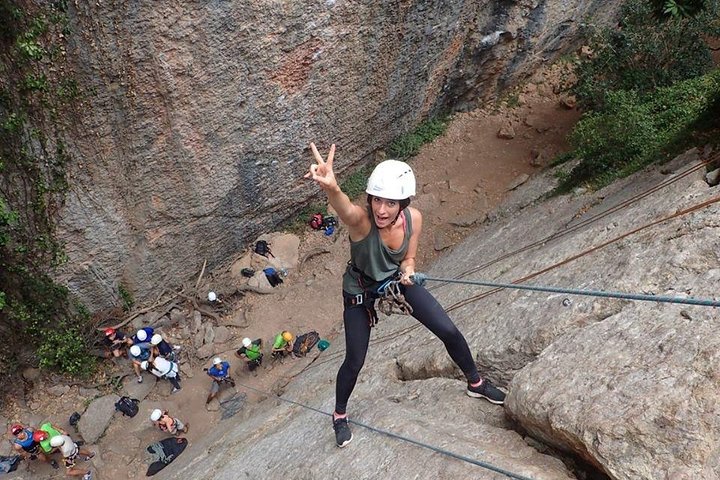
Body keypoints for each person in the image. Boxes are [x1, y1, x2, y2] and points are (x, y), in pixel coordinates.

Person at [305, 143, 506, 448]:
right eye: (376, 201)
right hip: (360, 291)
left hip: (394, 282)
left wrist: (408, 270)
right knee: (355, 359)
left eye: (390, 203)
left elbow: (408, 258)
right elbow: (345, 207)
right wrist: (332, 187)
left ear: (403, 203)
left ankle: (475, 382)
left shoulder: (414, 219)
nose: (381, 210)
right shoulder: (362, 224)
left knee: (448, 330)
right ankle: (339, 414)